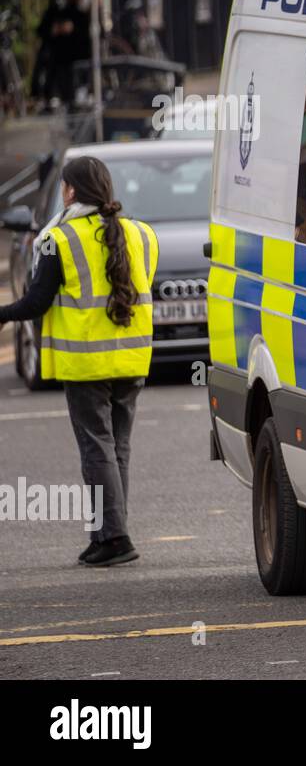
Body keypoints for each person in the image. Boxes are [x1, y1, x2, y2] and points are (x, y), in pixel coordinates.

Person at [0, 157, 158, 567]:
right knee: (115, 448)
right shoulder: (140, 233)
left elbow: (37, 301)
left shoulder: (60, 239)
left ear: (69, 192)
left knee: (97, 449)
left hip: (87, 362)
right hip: (133, 358)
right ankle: (105, 534)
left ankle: (115, 537)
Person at [33, 0, 92, 105]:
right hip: (61, 60)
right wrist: (55, 30)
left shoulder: (86, 7)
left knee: (79, 94)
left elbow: (90, 33)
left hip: (82, 58)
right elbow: (42, 29)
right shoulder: (58, 7)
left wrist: (73, 28)